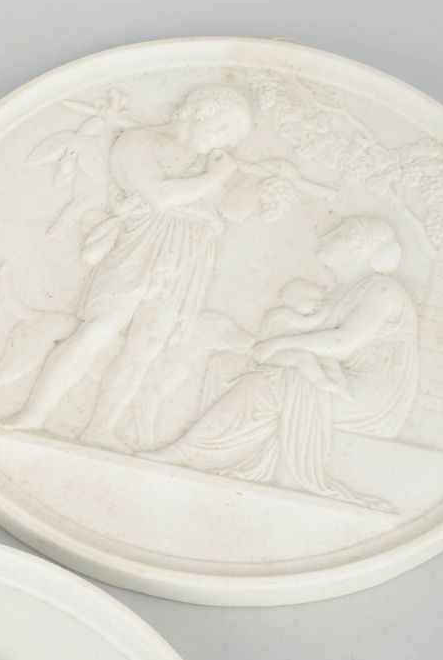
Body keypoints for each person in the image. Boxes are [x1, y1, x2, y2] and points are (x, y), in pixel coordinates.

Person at [0, 85, 253, 446]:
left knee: (146, 346)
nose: (224, 140)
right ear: (200, 111)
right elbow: (159, 196)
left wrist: (253, 185)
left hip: (191, 254)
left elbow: (232, 213)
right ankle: (34, 414)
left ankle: (101, 427)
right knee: (99, 328)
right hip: (145, 242)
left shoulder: (209, 162)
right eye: (223, 128)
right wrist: (214, 178)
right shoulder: (139, 141)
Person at [151, 217, 418, 506]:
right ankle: (226, 453)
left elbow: (342, 343)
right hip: (330, 372)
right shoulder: (335, 293)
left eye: (336, 234)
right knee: (225, 364)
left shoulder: (383, 291)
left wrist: (278, 344)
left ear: (358, 246)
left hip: (363, 393)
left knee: (267, 383)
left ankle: (190, 453)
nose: (325, 236)